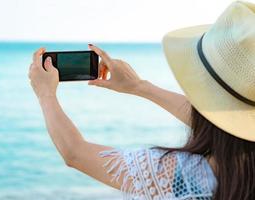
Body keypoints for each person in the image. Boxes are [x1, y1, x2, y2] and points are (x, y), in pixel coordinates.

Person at [28, 1, 255, 199]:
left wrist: (45, 94)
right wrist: (139, 87)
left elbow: (75, 153)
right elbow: (219, 124)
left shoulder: (186, 176)